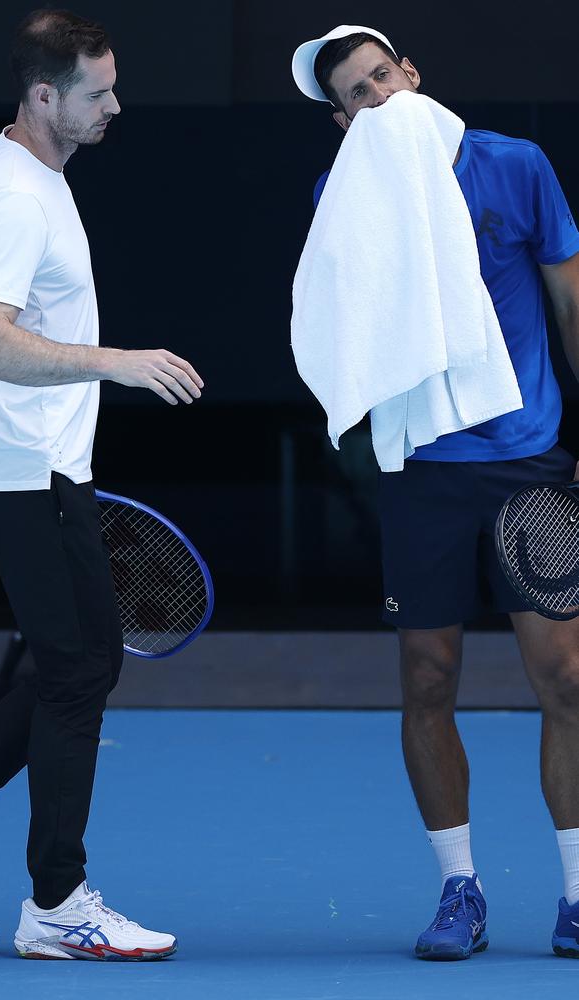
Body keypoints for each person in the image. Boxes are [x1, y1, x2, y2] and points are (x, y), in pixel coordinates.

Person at [291, 24, 579, 960]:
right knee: (426, 680)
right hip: (423, 477)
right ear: (344, 123)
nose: (380, 97)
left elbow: (571, 302)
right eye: (359, 96)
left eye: (385, 75)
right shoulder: (349, 195)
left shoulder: (516, 165)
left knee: (569, 679)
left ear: (412, 73)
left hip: (530, 460)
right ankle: (461, 889)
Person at [0, 9, 203, 961]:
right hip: (22, 469)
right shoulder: (11, 191)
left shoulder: (37, 175)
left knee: (76, 665)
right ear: (44, 93)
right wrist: (116, 362)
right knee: (82, 668)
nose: (115, 105)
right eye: (99, 91)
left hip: (43, 465)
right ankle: (57, 903)